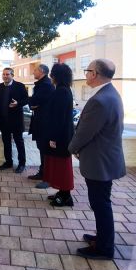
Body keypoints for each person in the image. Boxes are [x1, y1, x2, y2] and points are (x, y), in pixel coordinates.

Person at [68, 59, 125, 260]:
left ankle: (104, 247)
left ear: (95, 74)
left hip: (100, 161)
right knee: (100, 202)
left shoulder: (100, 100)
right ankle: (102, 238)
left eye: (87, 70)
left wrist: (72, 148)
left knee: (100, 203)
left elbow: (85, 132)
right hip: (103, 158)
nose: (85, 74)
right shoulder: (110, 94)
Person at [41, 64, 75, 207]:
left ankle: (66, 196)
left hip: (60, 137)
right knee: (58, 165)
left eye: (53, 74)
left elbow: (59, 118)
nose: (51, 77)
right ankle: (62, 192)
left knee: (62, 167)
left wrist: (53, 138)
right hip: (62, 135)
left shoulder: (62, 92)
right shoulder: (64, 90)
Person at [0, 67, 28, 173]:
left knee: (19, 142)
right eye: (4, 74)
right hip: (3, 120)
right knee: (6, 143)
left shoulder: (20, 86)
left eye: (7, 74)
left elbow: (26, 100)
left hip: (16, 121)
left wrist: (18, 103)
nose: (5, 76)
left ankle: (22, 164)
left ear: (12, 75)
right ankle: (8, 162)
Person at [27, 64, 53, 186]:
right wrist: (33, 104)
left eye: (35, 70)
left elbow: (35, 101)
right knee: (41, 149)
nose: (33, 72)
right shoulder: (42, 84)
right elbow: (33, 103)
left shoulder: (46, 85)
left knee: (45, 150)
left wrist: (34, 103)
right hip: (40, 121)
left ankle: (46, 176)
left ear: (42, 71)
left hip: (45, 124)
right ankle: (42, 173)